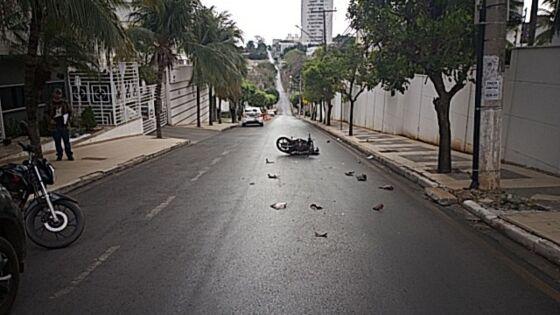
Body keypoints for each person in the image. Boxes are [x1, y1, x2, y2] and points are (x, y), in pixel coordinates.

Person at [49, 88, 74, 161]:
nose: (58, 95)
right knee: (57, 141)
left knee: (66, 141)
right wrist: (50, 120)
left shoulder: (64, 103)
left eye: (59, 94)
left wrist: (68, 119)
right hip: (55, 125)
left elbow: (69, 111)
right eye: (56, 94)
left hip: (64, 124)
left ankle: (69, 155)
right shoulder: (50, 103)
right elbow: (46, 113)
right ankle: (59, 155)